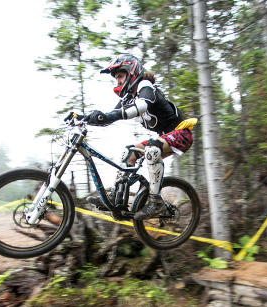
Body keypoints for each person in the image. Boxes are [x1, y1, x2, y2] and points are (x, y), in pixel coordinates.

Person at [79, 54, 196, 220]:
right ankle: (116, 196)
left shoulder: (146, 86)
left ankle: (156, 201)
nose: (118, 81)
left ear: (132, 73)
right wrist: (83, 118)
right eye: (116, 78)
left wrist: (110, 116)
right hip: (166, 137)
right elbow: (111, 115)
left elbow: (141, 106)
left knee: (152, 147)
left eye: (120, 76)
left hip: (182, 134)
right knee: (129, 153)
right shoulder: (130, 96)